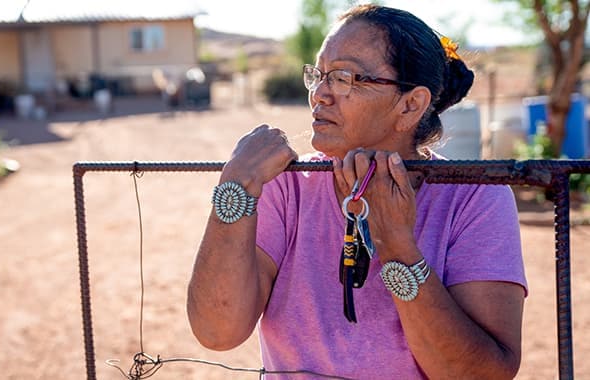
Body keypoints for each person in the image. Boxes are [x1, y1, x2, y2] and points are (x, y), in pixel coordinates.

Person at [187, 4, 527, 379]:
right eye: (318, 75)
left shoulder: (473, 196)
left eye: (344, 77)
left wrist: (396, 246)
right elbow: (217, 332)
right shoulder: (286, 185)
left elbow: (485, 374)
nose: (320, 94)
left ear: (410, 105)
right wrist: (234, 190)